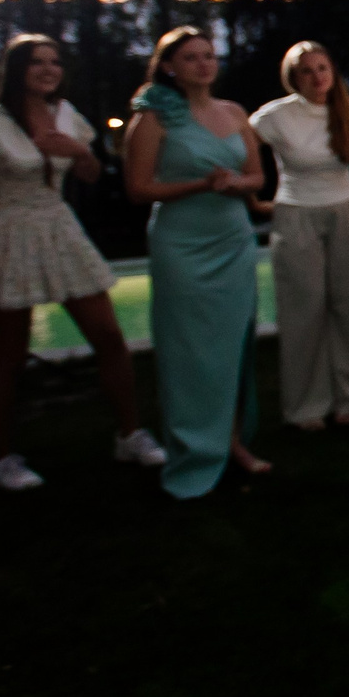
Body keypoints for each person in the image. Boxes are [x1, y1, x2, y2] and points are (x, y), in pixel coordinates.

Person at [0, 34, 165, 490]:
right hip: (7, 231)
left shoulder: (67, 115)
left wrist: (80, 151)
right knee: (10, 354)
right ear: (17, 68)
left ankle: (130, 434)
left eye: (55, 62)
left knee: (108, 335)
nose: (48, 69)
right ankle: (1, 457)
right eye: (37, 62)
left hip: (58, 226)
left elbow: (90, 174)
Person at [123, 27, 269, 498]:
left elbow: (257, 177)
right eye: (191, 58)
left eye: (209, 56)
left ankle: (231, 443)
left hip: (232, 240)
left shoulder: (234, 112)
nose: (204, 64)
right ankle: (192, 451)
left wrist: (236, 186)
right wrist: (200, 186)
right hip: (182, 244)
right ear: (170, 67)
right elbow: (139, 189)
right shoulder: (153, 118)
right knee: (189, 351)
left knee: (233, 346)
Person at [250, 41, 349, 430]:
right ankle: (306, 405)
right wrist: (254, 197)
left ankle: (348, 397)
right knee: (302, 310)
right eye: (307, 70)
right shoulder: (274, 116)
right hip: (295, 214)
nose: (317, 76)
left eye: (322, 67)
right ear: (293, 77)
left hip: (345, 211)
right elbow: (239, 149)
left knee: (348, 306)